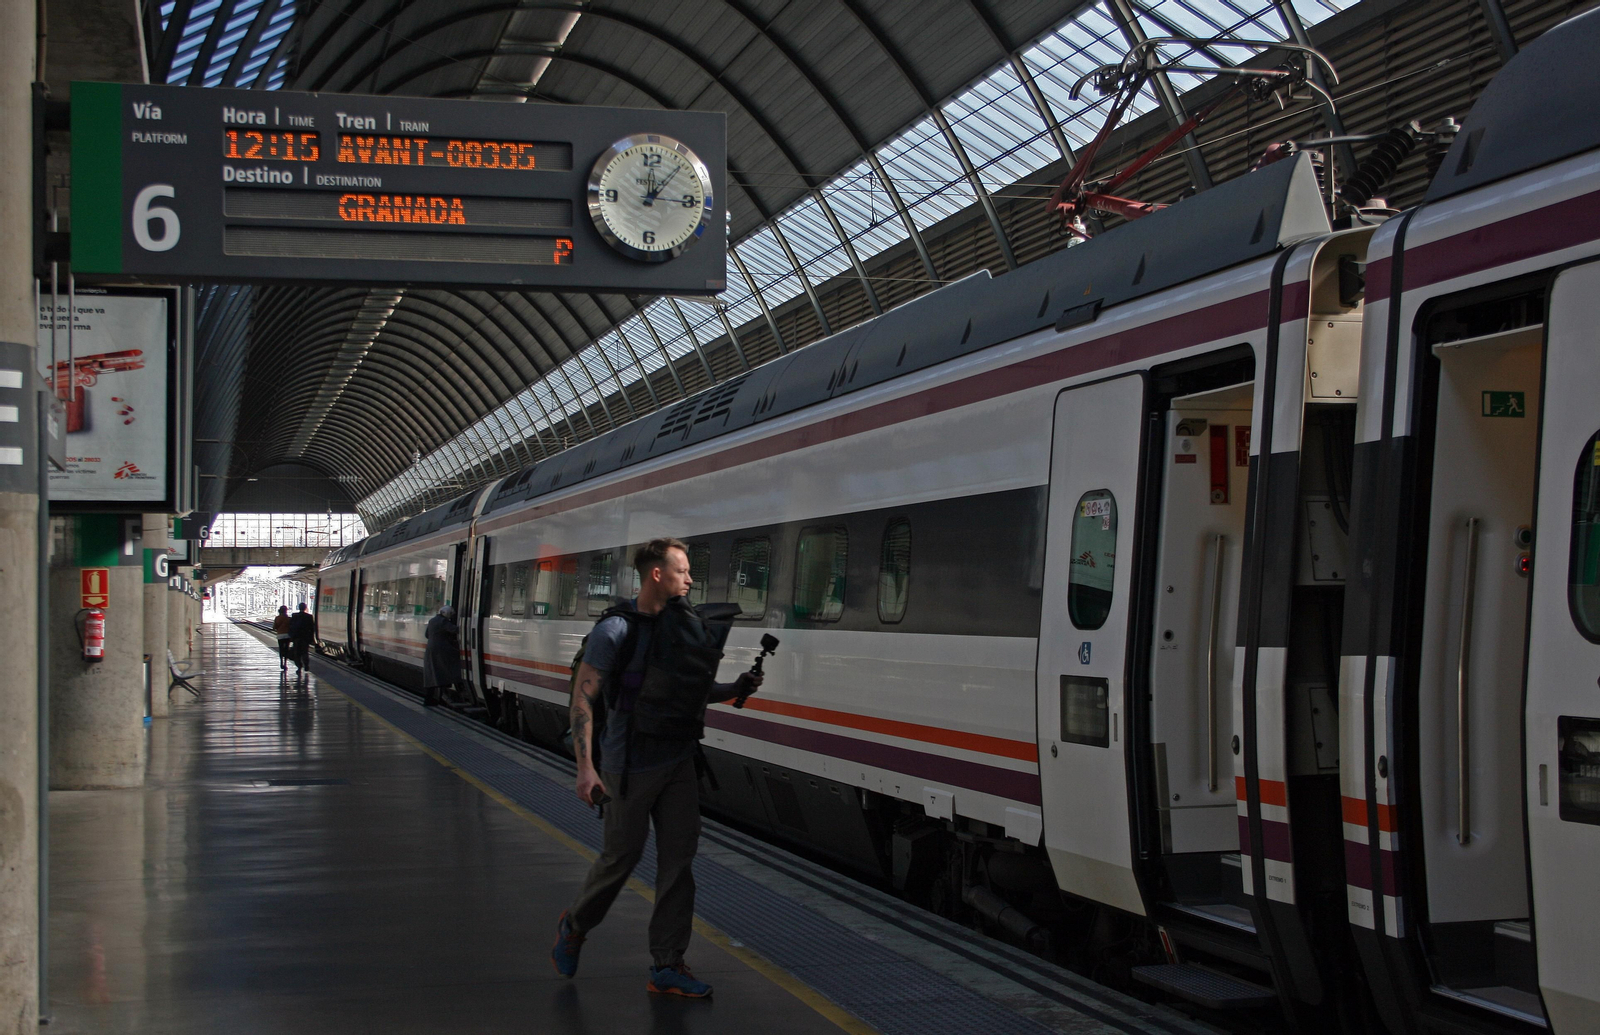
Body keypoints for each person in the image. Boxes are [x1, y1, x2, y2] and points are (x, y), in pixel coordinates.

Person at [551, 538, 762, 998]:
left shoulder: (682, 625)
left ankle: (667, 964)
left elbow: (683, 689)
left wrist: (733, 688)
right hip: (628, 765)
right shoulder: (616, 631)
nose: (690, 579)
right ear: (657, 575)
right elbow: (584, 697)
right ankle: (575, 924)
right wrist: (587, 768)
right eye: (683, 571)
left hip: (678, 760)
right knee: (619, 859)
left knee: (678, 865)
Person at [422, 605, 462, 707]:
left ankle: (429, 698)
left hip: (430, 650)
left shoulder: (432, 620)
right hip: (441, 651)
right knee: (441, 673)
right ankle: (439, 697)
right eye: (450, 615)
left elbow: (427, 635)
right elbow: (454, 629)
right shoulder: (443, 622)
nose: (450, 618)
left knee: (431, 674)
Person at [286, 601, 316, 678]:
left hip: (296, 638)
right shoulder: (309, 617)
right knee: (305, 652)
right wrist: (312, 638)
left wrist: (291, 637)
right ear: (305, 608)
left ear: (299, 608)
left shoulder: (294, 616)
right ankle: (306, 665)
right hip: (305, 638)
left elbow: (290, 626)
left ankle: (299, 666)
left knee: (297, 653)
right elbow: (312, 628)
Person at [272, 605, 291, 670]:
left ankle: (281, 663)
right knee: (286, 649)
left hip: (280, 635)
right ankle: (285, 663)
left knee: (281, 649)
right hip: (287, 636)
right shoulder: (288, 618)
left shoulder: (277, 618)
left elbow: (274, 627)